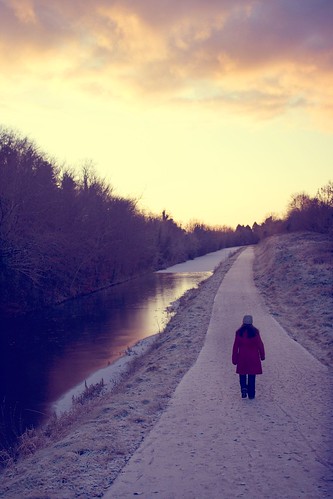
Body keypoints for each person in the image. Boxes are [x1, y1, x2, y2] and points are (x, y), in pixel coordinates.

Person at [232, 315, 265, 399]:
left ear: (243, 321)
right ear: (251, 322)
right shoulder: (255, 332)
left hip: (242, 357)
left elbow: (235, 346)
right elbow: (260, 345)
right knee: (252, 376)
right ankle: (251, 394)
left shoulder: (239, 332)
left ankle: (243, 388)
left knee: (242, 374)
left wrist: (234, 358)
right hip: (253, 358)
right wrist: (262, 355)